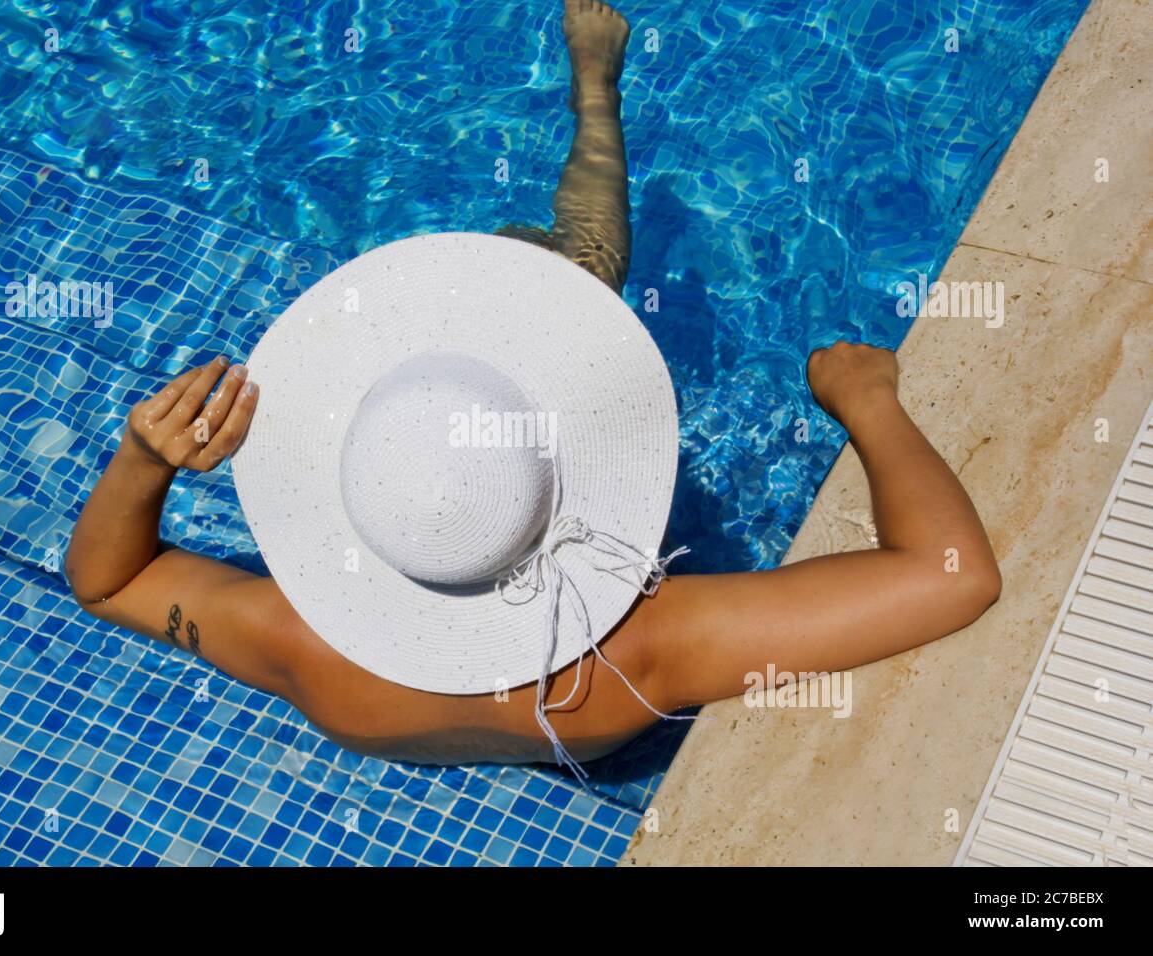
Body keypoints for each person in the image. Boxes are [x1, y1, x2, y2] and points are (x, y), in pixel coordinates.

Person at [66, 0, 1000, 769]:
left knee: (564, 297)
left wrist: (142, 460)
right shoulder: (645, 648)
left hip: (503, 691)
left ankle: (590, 112)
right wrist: (866, 398)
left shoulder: (303, 649)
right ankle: (596, 93)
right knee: (579, 285)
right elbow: (950, 578)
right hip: (586, 656)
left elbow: (107, 584)